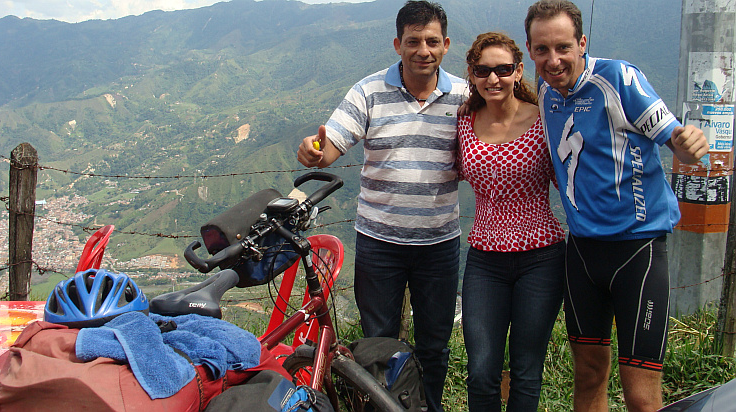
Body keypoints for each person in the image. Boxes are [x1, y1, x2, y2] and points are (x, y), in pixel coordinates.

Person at [523, 1, 709, 411]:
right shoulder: (542, 91)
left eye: (563, 47)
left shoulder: (618, 78)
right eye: (542, 50)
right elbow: (494, 93)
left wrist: (688, 142)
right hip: (583, 253)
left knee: (641, 395)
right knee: (588, 378)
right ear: (530, 50)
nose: (553, 60)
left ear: (582, 43)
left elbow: (673, 136)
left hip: (637, 251)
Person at [296, 1, 468, 410]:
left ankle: (428, 406)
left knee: (435, 344)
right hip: (379, 243)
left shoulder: (464, 95)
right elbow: (330, 146)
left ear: (446, 45)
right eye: (413, 41)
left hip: (439, 244)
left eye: (431, 41)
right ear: (397, 44)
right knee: (377, 344)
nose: (422, 50)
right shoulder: (369, 91)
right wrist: (313, 152)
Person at [458, 32, 566, 412]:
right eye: (482, 70)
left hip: (542, 258)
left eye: (503, 70)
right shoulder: (465, 123)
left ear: (519, 71)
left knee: (526, 368)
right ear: (471, 74)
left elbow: (570, 178)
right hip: (485, 259)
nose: (493, 79)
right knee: (481, 369)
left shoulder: (545, 121)